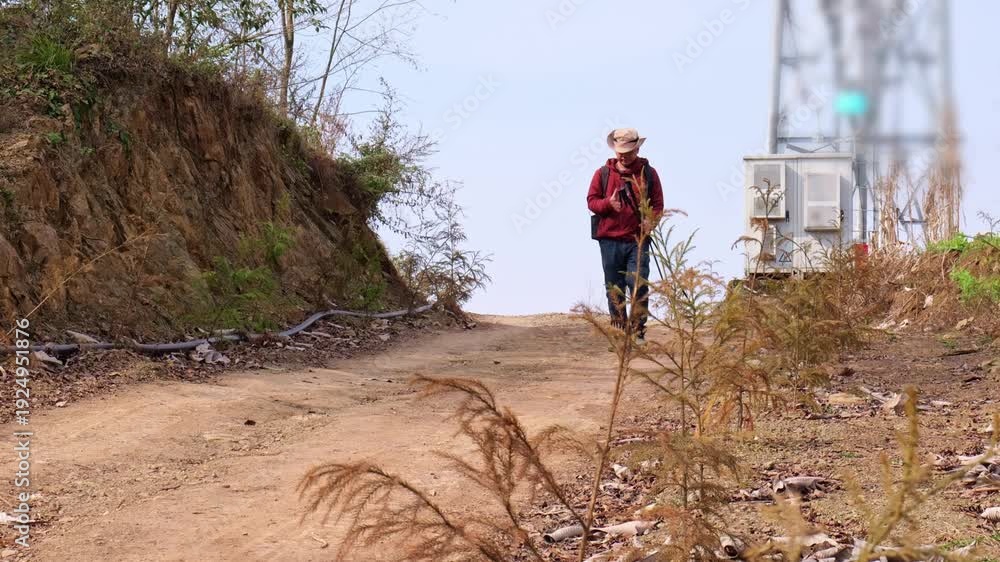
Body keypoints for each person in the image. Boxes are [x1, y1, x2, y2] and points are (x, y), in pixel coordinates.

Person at [586, 128, 664, 344]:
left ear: (637, 149)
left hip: (637, 240)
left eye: (627, 152)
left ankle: (638, 332)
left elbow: (658, 204)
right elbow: (591, 201)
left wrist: (651, 221)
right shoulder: (602, 173)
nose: (623, 156)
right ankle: (620, 333)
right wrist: (608, 204)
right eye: (620, 152)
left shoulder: (649, 173)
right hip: (609, 240)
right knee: (614, 287)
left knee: (638, 283)